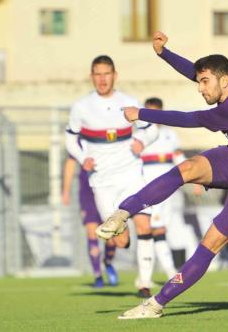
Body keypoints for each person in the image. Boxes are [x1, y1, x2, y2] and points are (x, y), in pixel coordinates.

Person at [96, 31, 228, 319]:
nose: (200, 88)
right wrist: (165, 54)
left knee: (210, 242)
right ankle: (123, 213)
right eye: (200, 82)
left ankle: (155, 305)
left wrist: (142, 113)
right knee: (186, 168)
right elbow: (197, 71)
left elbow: (187, 119)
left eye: (204, 83)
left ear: (223, 81)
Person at [65, 55, 159, 297]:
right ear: (91, 77)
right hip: (102, 181)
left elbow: (152, 130)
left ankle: (145, 284)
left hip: (130, 174)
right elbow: (69, 139)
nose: (102, 79)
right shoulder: (81, 107)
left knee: (144, 224)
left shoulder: (128, 102)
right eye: (98, 74)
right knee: (120, 240)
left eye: (107, 73)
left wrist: (141, 141)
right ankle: (121, 241)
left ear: (115, 75)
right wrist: (81, 156)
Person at [139, 97, 185, 280]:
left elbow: (178, 157)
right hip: (146, 187)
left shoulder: (170, 134)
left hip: (167, 188)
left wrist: (195, 181)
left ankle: (148, 277)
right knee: (152, 230)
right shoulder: (140, 135)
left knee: (159, 229)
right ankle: (167, 272)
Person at [62, 156, 116, 287]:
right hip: (88, 192)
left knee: (112, 238)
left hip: (107, 188)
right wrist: (66, 190)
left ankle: (108, 262)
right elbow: (70, 162)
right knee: (92, 233)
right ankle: (97, 275)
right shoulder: (78, 139)